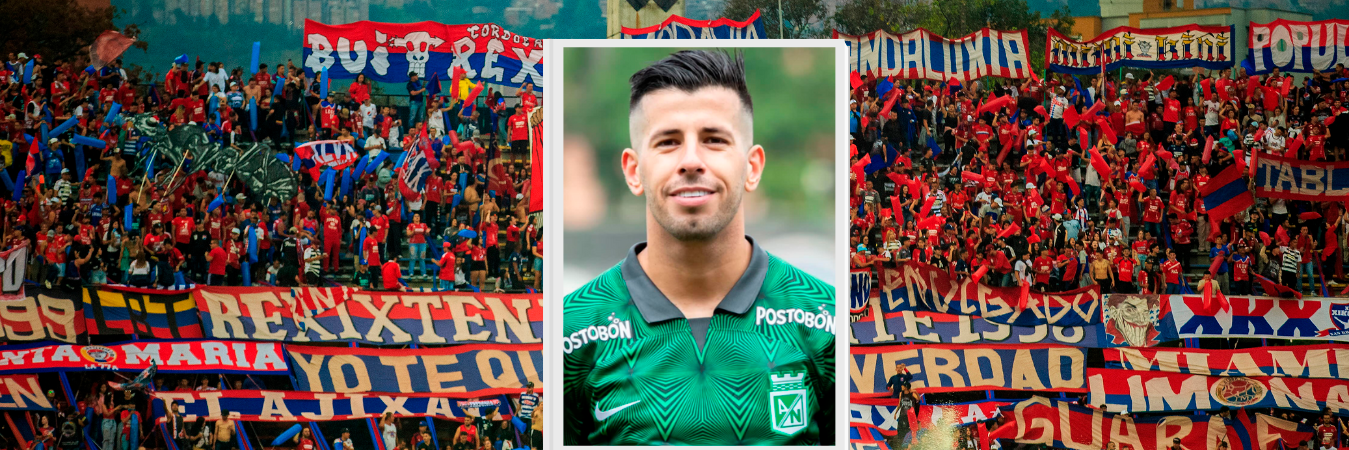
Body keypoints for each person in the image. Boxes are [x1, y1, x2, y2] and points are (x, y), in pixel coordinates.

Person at [562, 50, 833, 445]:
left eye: (714, 140)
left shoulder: (827, 323)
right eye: (668, 142)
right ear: (634, 172)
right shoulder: (569, 331)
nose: (691, 160)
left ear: (752, 167)